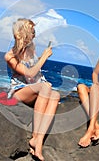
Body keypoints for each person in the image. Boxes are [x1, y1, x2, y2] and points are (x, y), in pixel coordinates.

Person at [5, 18, 60, 160]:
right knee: (45, 86)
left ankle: (38, 140)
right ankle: (35, 135)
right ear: (22, 32)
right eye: (32, 31)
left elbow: (34, 67)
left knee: (55, 95)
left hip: (35, 88)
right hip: (20, 91)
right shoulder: (10, 56)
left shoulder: (31, 48)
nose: (34, 34)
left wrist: (41, 56)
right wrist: (45, 58)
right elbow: (29, 73)